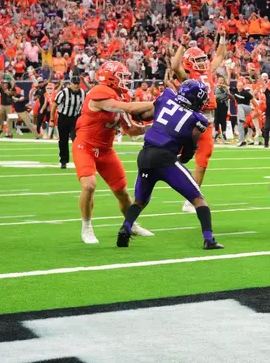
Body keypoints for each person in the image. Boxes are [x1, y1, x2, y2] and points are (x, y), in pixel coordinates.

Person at [116, 80, 223, 250]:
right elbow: (189, 151)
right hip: (165, 158)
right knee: (198, 199)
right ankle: (209, 239)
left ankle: (126, 227)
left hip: (145, 155)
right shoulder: (198, 120)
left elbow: (146, 115)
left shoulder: (166, 97)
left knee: (140, 201)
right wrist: (181, 158)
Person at [73, 61, 154, 244]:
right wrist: (156, 102)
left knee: (122, 192)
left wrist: (149, 128)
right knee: (89, 185)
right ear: (109, 78)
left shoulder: (120, 97)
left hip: (106, 150)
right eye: (121, 77)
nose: (125, 81)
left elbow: (130, 129)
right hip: (85, 147)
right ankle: (86, 227)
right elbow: (129, 108)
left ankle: (131, 224)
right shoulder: (99, 92)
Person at [171, 32, 227, 214]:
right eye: (198, 60)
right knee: (173, 154)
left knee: (203, 159)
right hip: (191, 119)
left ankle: (191, 199)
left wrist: (222, 38)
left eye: (203, 59)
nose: (202, 62)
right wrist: (182, 45)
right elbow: (174, 66)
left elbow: (220, 55)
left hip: (207, 121)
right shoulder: (187, 77)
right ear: (189, 63)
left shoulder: (208, 71)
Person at [52, 77, 86, 169]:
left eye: (78, 83)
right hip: (63, 118)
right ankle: (63, 161)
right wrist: (51, 119)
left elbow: (85, 106)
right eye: (75, 83)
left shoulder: (83, 93)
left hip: (75, 119)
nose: (76, 85)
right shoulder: (63, 93)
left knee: (77, 140)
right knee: (63, 140)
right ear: (70, 84)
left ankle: (79, 160)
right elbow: (54, 105)